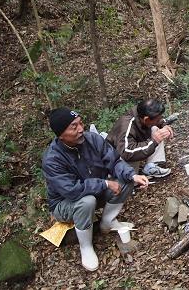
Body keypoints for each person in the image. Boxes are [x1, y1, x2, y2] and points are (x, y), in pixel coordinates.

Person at [42, 108, 149, 271]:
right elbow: (72, 191)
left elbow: (114, 162)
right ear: (60, 134)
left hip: (94, 191)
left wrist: (132, 175)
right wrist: (105, 184)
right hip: (65, 203)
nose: (80, 129)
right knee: (87, 201)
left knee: (126, 179)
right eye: (73, 126)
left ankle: (107, 222)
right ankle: (85, 246)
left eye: (80, 123)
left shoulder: (92, 140)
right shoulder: (52, 159)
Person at [106, 99, 174, 178]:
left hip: (133, 146)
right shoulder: (126, 126)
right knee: (155, 137)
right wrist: (154, 141)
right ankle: (128, 180)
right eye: (158, 119)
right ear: (146, 119)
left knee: (156, 130)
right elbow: (127, 152)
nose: (159, 120)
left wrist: (164, 125)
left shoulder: (142, 112)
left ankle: (151, 167)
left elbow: (157, 120)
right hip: (117, 158)